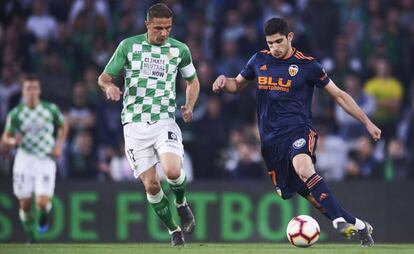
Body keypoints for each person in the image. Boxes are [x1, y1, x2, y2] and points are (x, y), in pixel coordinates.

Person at [212, 18, 381, 247]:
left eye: (279, 42)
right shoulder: (258, 60)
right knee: (304, 191)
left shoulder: (308, 66)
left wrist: (367, 122)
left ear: (290, 37)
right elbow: (236, 85)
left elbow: (339, 95)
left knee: (304, 169)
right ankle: (360, 225)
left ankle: (338, 220)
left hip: (299, 131)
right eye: (270, 43)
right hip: (271, 141)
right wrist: (225, 81)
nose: (275, 48)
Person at [98, 3, 199, 246]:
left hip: (164, 120)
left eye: (168, 28)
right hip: (133, 124)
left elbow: (192, 81)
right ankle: (174, 230)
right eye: (158, 28)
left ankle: (181, 203)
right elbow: (104, 77)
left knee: (173, 171)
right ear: (147, 25)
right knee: (151, 185)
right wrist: (109, 86)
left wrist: (189, 105)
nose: (164, 33)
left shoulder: (179, 50)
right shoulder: (129, 46)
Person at [1, 73, 68, 243]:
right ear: (23, 91)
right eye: (28, 88)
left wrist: (59, 146)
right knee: (25, 204)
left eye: (35, 88)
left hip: (45, 158)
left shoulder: (49, 109)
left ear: (39, 90)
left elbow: (63, 125)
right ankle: (31, 237)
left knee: (42, 203)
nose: (32, 92)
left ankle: (43, 216)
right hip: (24, 159)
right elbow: (5, 138)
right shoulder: (16, 114)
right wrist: (12, 140)